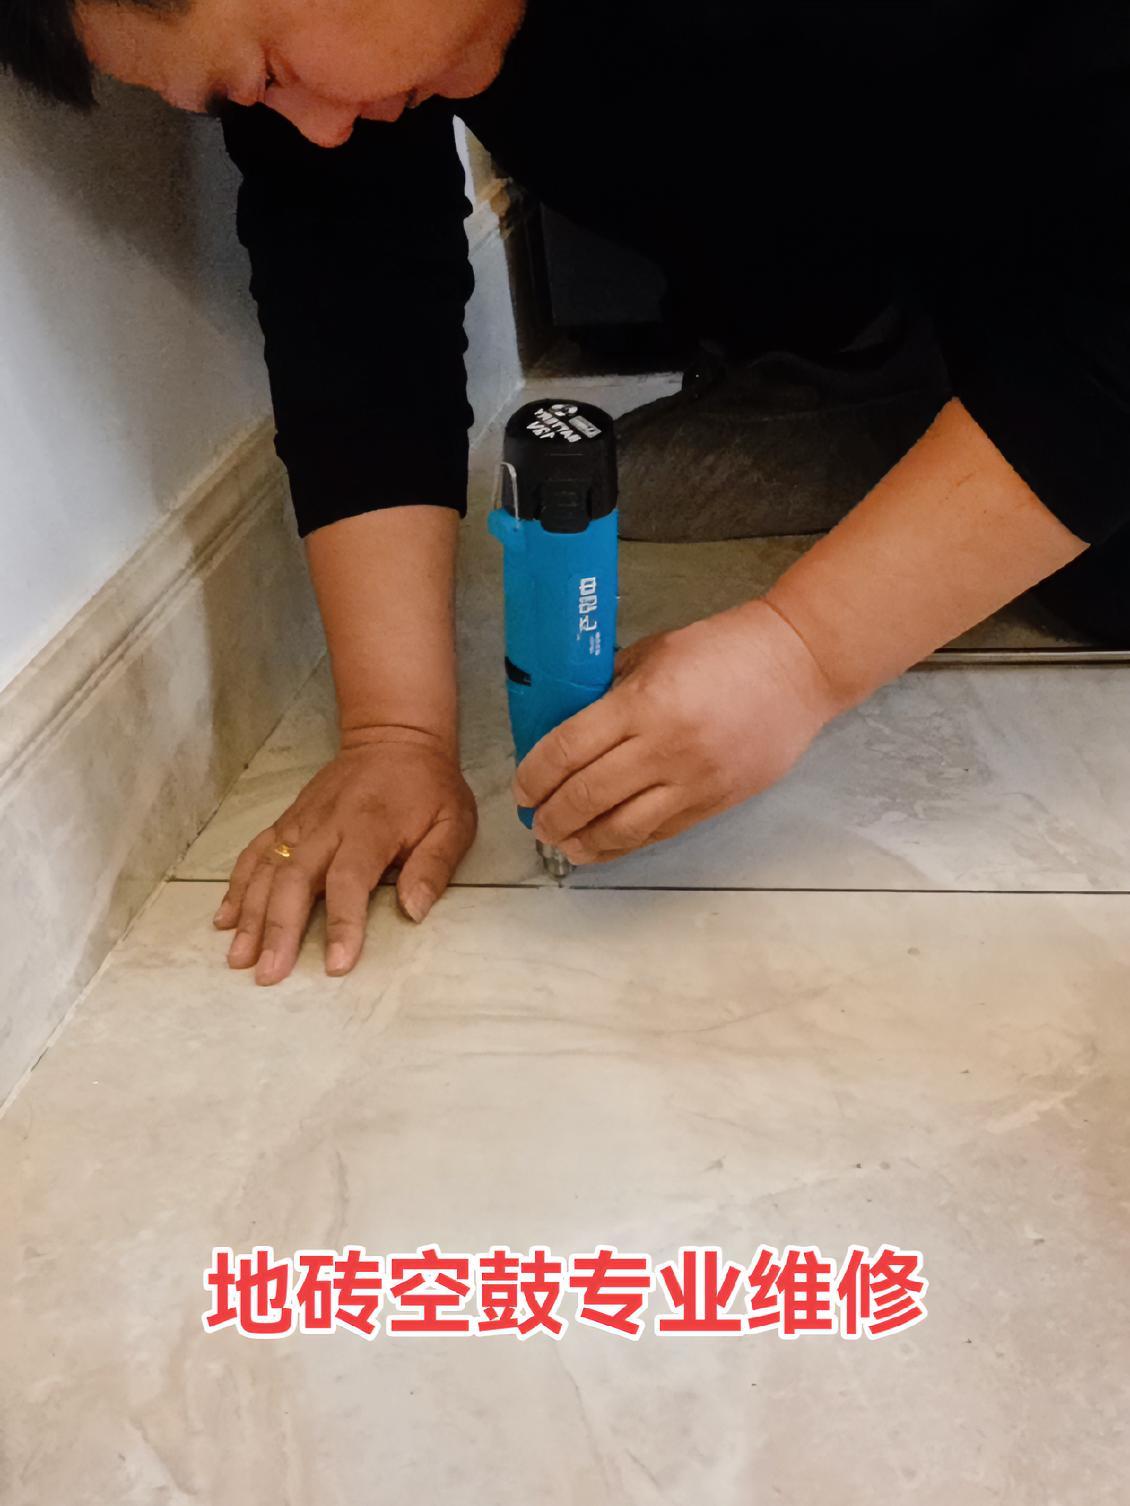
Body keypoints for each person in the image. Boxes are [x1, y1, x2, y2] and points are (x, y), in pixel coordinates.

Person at [3, 0, 1128, 987]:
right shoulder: (351, 78)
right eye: (250, 102)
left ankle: (906, 402)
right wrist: (394, 731)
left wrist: (805, 653)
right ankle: (858, 384)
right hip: (868, 278)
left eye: (265, 73)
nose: (313, 124)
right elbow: (347, 265)